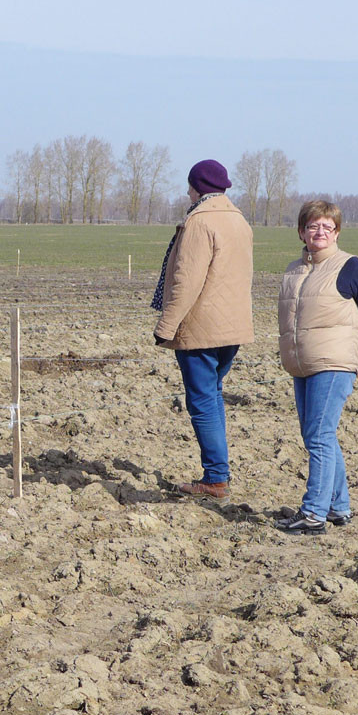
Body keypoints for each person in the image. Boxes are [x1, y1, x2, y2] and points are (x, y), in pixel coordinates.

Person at [274, 201, 358, 535]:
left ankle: (313, 513)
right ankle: (338, 507)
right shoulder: (295, 270)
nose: (319, 232)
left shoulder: (349, 267)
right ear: (301, 232)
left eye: (327, 227)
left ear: (337, 232)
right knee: (317, 435)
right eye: (312, 226)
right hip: (302, 362)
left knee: (319, 436)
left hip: (335, 363)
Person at [153, 159, 253, 504]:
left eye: (189, 185)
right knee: (213, 394)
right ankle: (218, 472)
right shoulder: (239, 220)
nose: (186, 191)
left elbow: (186, 281)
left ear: (198, 187)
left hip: (201, 327)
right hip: (233, 328)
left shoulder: (199, 222)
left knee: (202, 401)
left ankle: (215, 478)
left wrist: (165, 326)